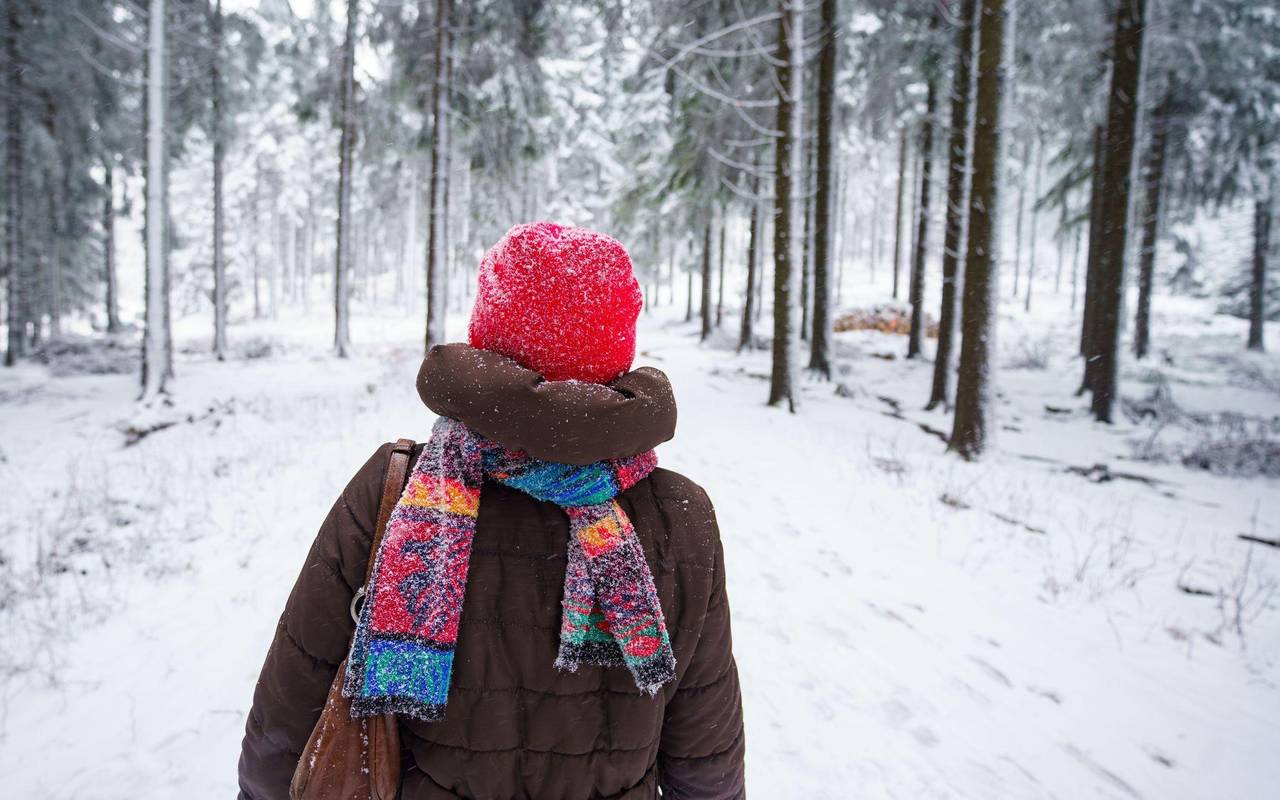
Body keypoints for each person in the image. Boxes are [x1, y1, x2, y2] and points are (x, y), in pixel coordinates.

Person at [238, 221, 746, 799]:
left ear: (488, 337)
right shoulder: (681, 516)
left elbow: (295, 696)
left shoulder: (398, 488)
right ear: (617, 351)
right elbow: (705, 744)